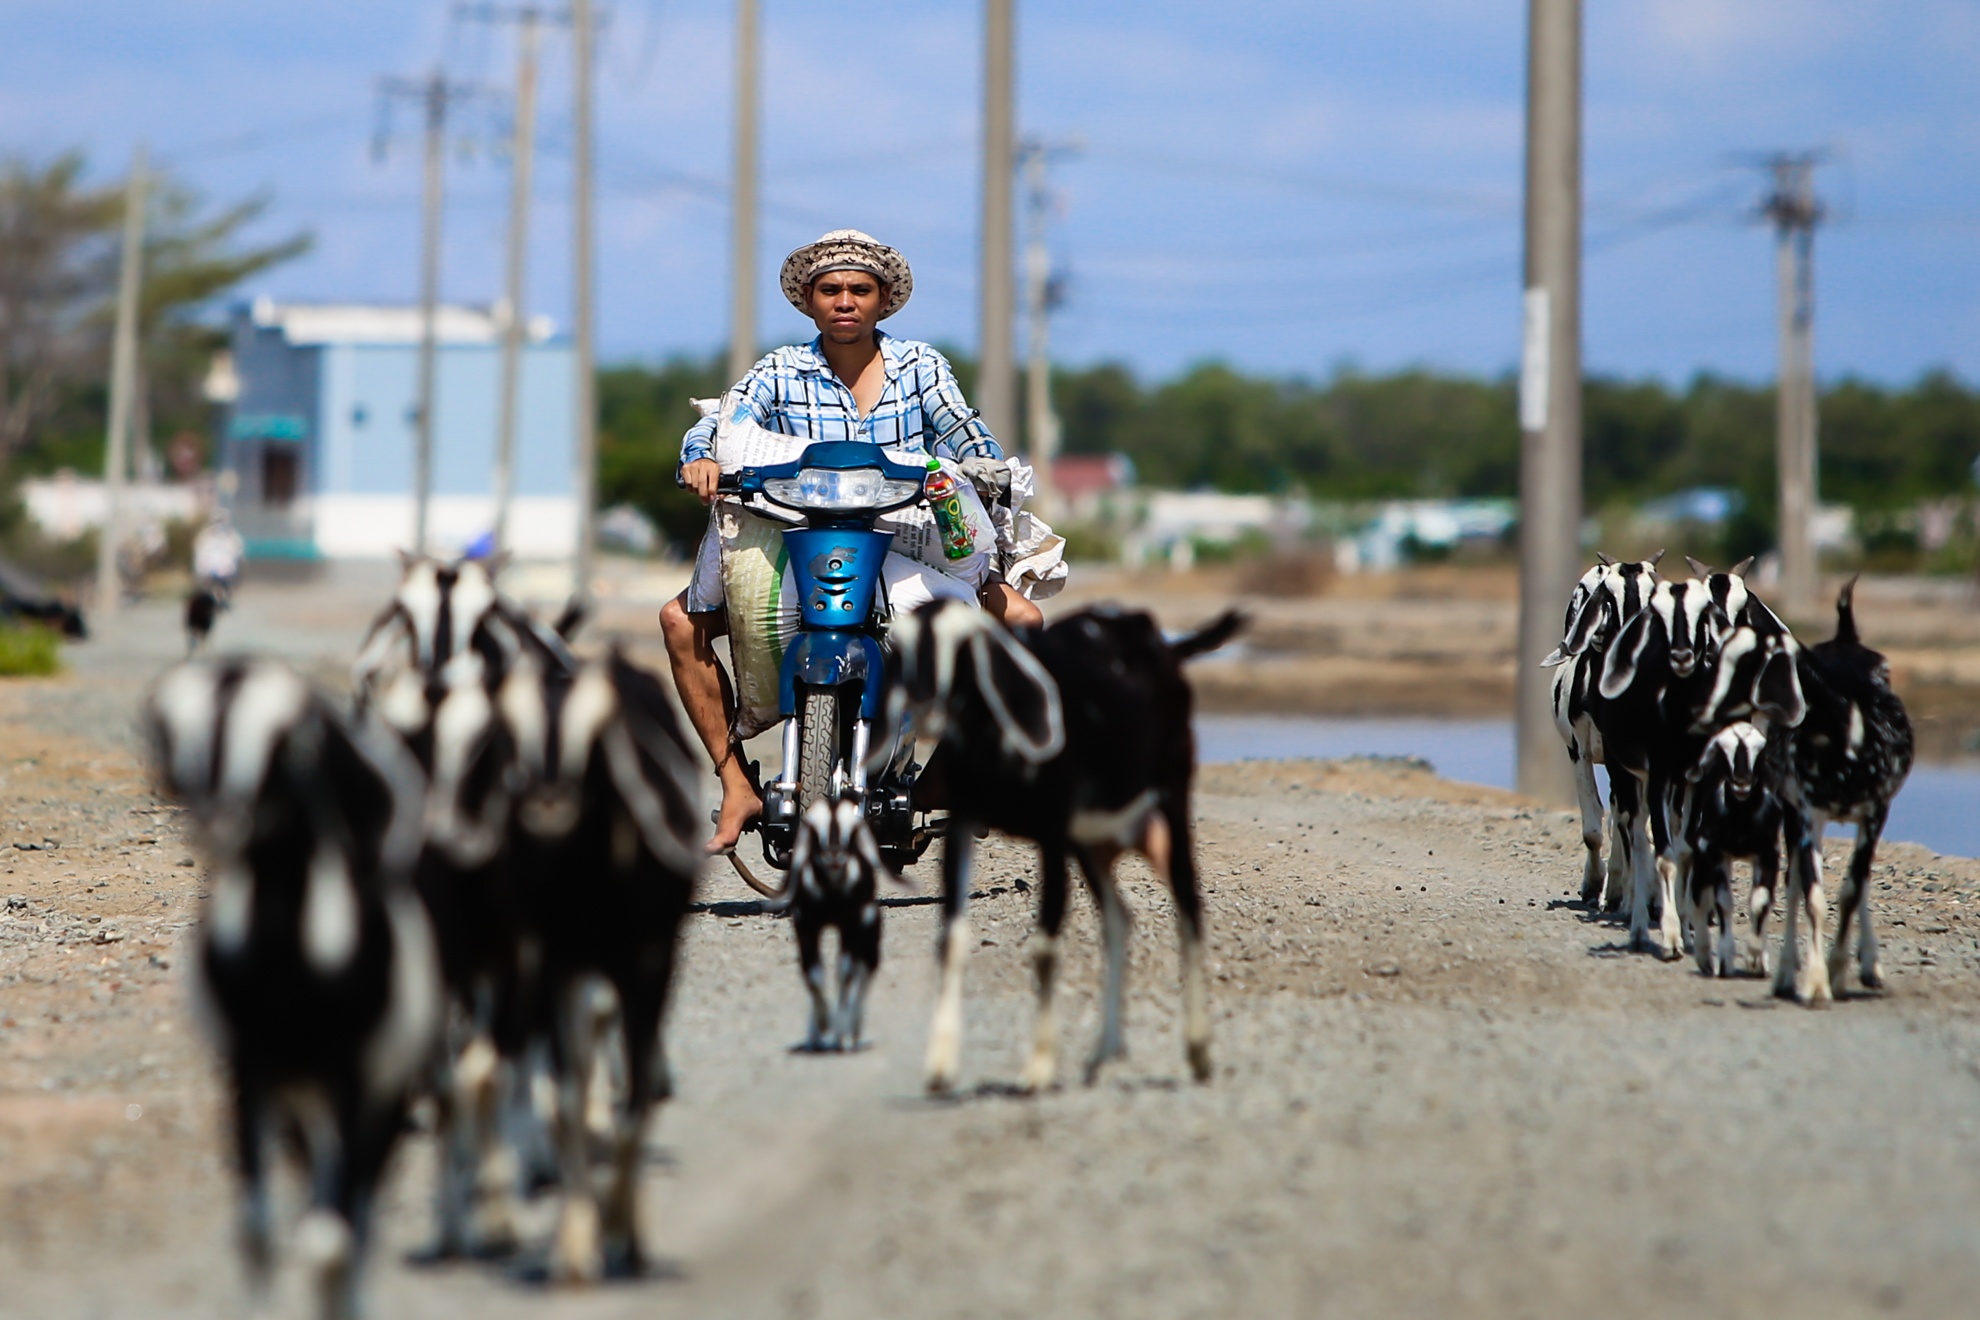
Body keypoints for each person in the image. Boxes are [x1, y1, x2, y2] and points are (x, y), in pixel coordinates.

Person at [662, 228, 1044, 852]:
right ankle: (735, 784)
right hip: (802, 546)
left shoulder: (922, 367)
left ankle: (940, 777)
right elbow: (726, 420)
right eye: (831, 289)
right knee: (678, 622)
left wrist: (982, 466)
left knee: (1022, 624)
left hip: (904, 543)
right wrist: (700, 459)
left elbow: (965, 429)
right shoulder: (782, 370)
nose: (845, 300)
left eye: (860, 289)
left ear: (883, 299)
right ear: (809, 301)